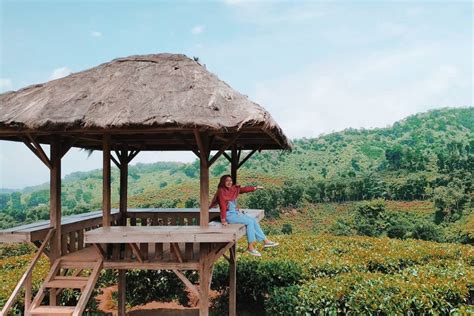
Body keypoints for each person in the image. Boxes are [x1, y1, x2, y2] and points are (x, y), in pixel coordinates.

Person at [209, 174, 279, 257]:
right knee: (249, 222)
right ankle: (250, 247)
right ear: (223, 182)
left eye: (230, 181)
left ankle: (266, 241)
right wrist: (223, 219)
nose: (229, 182)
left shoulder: (233, 189)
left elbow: (243, 189)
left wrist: (255, 188)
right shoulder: (221, 191)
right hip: (229, 215)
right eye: (227, 181)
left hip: (235, 213)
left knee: (253, 220)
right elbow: (223, 206)